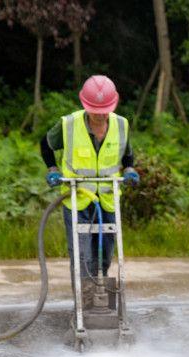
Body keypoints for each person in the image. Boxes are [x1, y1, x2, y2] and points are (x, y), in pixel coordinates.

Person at [40, 75, 139, 295]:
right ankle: (83, 304)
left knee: (105, 256)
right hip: (78, 199)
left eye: (105, 110)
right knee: (82, 255)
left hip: (107, 200)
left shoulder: (121, 124)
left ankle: (100, 295)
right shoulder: (69, 124)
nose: (100, 115)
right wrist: (52, 169)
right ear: (85, 104)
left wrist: (130, 169)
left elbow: (127, 154)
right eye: (95, 110)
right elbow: (46, 144)